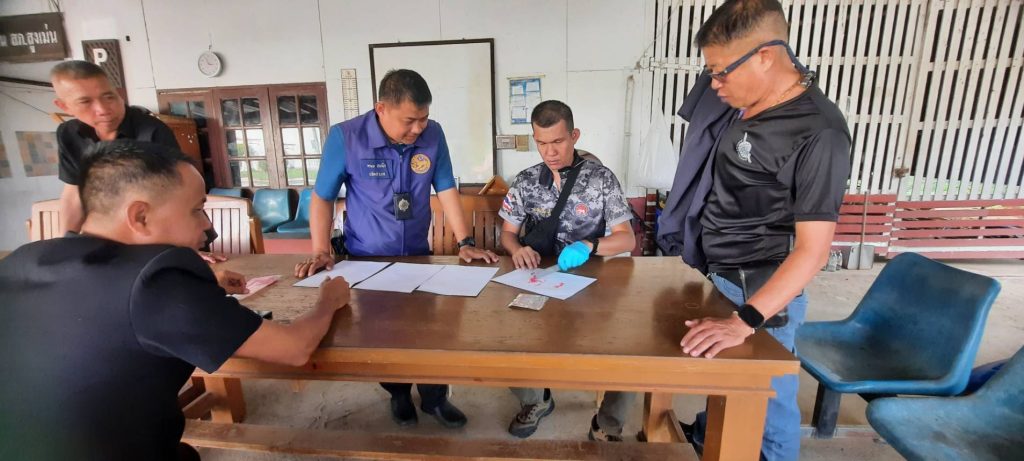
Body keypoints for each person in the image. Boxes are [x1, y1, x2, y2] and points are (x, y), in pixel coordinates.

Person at [0, 140, 351, 460]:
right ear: (140, 216)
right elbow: (294, 349)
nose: (208, 226)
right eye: (197, 209)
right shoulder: (158, 279)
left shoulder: (23, 259)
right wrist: (328, 300)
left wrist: (202, 286)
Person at [657, 1, 852, 459]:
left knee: (767, 406)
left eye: (720, 72)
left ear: (765, 56)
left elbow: (813, 251)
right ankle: (710, 437)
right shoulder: (736, 102)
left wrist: (743, 321)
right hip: (717, 273)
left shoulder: (818, 133)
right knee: (725, 385)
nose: (714, 84)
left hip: (760, 291)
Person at [294, 69, 497, 429]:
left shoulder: (433, 135)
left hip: (419, 255)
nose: (418, 128)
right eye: (409, 120)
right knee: (381, 333)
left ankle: (435, 399)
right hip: (366, 257)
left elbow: (446, 188)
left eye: (424, 118)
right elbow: (322, 197)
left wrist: (465, 242)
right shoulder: (346, 137)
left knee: (431, 332)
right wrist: (321, 249)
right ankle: (399, 394)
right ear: (381, 109)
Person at [498, 100, 635, 438]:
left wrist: (590, 246)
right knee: (504, 338)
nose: (550, 152)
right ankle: (536, 399)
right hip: (539, 277)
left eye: (558, 141)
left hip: (594, 282)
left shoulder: (601, 179)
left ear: (574, 136)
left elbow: (627, 239)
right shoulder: (526, 181)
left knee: (629, 348)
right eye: (541, 143)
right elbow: (507, 234)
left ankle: (608, 423)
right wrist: (517, 249)